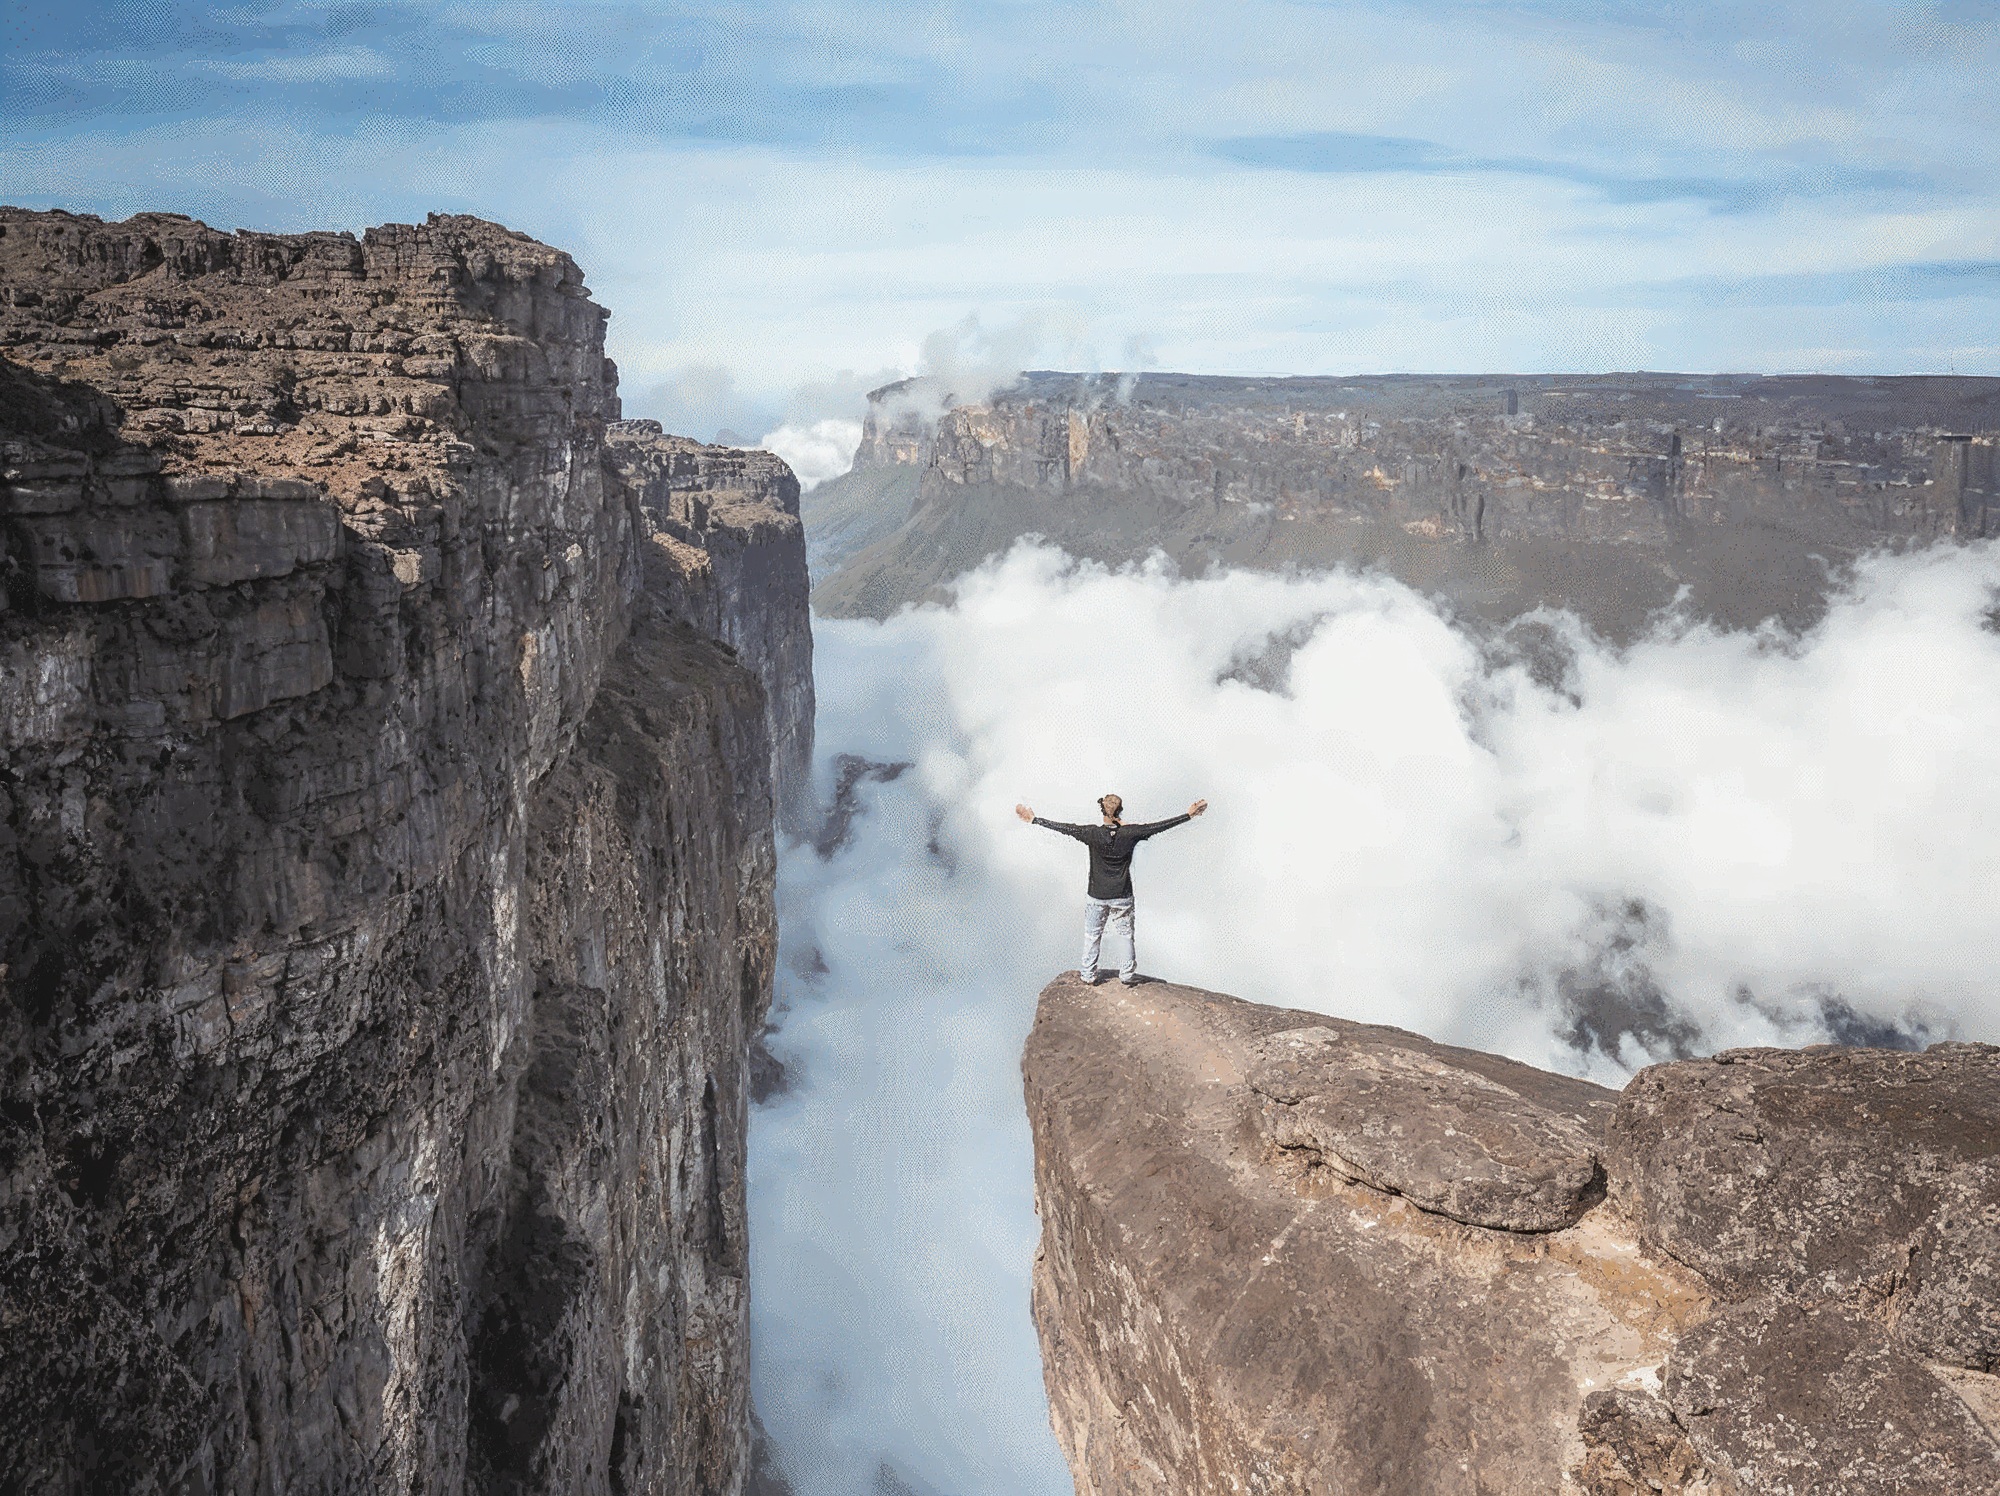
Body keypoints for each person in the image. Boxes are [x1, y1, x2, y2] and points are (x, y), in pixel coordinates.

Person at [1015, 792, 1207, 986]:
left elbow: (1065, 828)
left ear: (1102, 810)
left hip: (1097, 895)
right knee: (1125, 935)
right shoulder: (1131, 833)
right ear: (1119, 811)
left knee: (1092, 935)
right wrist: (1188, 815)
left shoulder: (1091, 833)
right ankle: (1126, 974)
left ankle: (1088, 974)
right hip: (1122, 894)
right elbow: (1158, 827)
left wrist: (1035, 820)